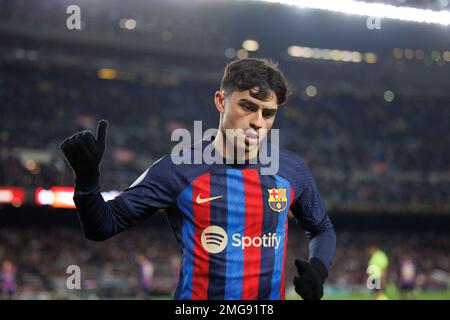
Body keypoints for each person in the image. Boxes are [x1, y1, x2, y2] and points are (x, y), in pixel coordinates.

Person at [61, 58, 336, 300]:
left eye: (268, 113)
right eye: (248, 107)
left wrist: (319, 268)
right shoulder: (178, 169)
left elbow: (321, 227)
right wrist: (87, 181)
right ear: (220, 101)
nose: (258, 122)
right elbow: (102, 226)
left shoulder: (291, 170)